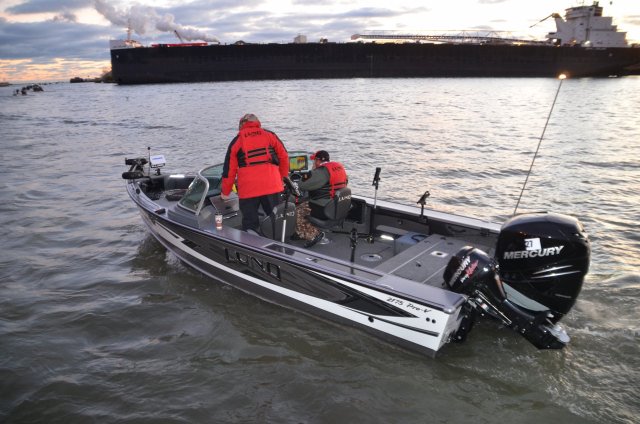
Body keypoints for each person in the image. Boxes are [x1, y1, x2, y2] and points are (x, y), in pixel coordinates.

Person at [220, 114, 289, 232]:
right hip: (272, 185)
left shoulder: (237, 141)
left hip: (249, 189)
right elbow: (284, 157)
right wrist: (282, 178)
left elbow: (229, 170)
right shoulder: (270, 135)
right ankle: (279, 240)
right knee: (277, 219)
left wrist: (225, 192)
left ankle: (251, 241)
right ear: (257, 122)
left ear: (241, 125)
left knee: (250, 223)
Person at [295, 150, 348, 247]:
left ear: (317, 160)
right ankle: (303, 232)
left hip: (323, 207)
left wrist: (313, 170)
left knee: (297, 211)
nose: (314, 163)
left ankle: (314, 235)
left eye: (314, 161)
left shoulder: (320, 172)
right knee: (305, 204)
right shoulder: (338, 168)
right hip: (337, 204)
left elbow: (302, 185)